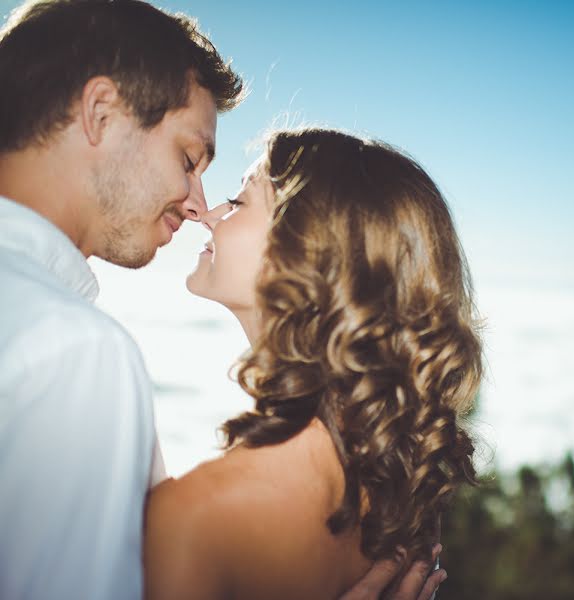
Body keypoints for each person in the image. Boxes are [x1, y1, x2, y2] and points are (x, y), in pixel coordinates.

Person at [0, 1, 444, 598]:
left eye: (235, 200)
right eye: (188, 159)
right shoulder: (71, 352)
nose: (198, 206)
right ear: (99, 114)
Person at [143, 127, 483, 599]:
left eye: (238, 202)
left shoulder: (195, 518)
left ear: (305, 254)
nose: (206, 213)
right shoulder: (407, 489)